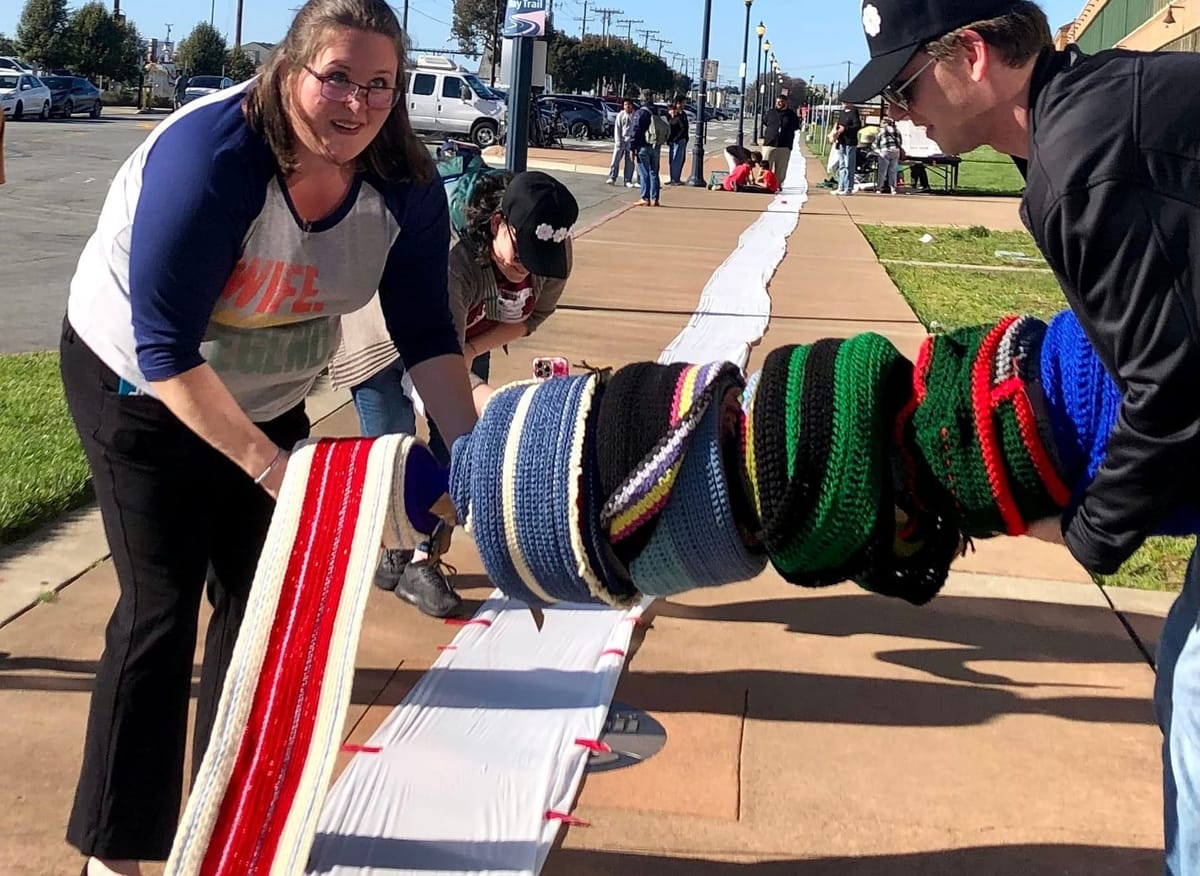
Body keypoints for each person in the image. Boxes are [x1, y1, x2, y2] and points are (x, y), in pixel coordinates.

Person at [58, 0, 478, 872]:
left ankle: (231, 821)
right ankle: (115, 854)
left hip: (269, 393)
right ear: (290, 70)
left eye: (379, 86)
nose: (356, 104)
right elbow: (165, 347)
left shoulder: (404, 182)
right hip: (139, 382)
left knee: (260, 612)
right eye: (336, 77)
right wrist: (269, 468)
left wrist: (474, 464)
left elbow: (428, 337)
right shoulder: (213, 160)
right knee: (159, 608)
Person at [843, 1, 1200, 872]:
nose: (899, 111)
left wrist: (1085, 531)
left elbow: (1175, 395)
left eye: (904, 84)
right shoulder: (1094, 114)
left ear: (970, 56)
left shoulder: (1083, 158)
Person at [330, 168, 579, 617]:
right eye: (522, 255)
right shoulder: (451, 260)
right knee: (396, 450)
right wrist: (496, 405)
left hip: (461, 334)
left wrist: (472, 350)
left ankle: (421, 556)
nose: (530, 269)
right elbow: (429, 367)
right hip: (383, 341)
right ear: (498, 224)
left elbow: (532, 316)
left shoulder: (551, 247)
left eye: (542, 259)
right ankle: (395, 543)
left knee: (457, 451)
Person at [759, 93, 800, 187]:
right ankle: (765, 183)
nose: (779, 104)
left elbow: (796, 127)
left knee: (781, 169)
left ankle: (777, 185)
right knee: (766, 165)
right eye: (777, 102)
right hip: (770, 143)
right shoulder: (770, 112)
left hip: (784, 145)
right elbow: (765, 122)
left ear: (785, 103)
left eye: (781, 102)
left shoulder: (791, 115)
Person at [629, 92, 661, 207]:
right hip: (655, 145)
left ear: (643, 99)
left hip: (643, 146)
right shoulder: (656, 111)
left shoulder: (641, 113)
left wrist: (632, 148)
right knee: (654, 172)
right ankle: (655, 198)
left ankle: (645, 197)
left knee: (644, 172)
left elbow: (635, 130)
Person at [830, 100, 862, 195]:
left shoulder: (854, 113)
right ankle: (841, 187)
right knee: (842, 165)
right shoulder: (842, 113)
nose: (843, 105)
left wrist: (846, 129)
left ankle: (848, 188)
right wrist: (835, 133)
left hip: (850, 142)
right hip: (841, 141)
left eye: (845, 103)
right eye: (842, 103)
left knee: (849, 165)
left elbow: (857, 126)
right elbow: (838, 125)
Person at [606, 97, 635, 187]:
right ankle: (612, 177)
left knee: (630, 162)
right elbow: (617, 128)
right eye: (625, 105)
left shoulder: (635, 115)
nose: (627, 106)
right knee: (615, 160)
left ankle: (627, 180)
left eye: (629, 104)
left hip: (631, 141)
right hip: (621, 141)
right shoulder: (621, 115)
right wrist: (618, 140)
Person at [874, 114, 903, 194]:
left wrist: (877, 150)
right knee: (893, 170)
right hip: (895, 151)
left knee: (882, 171)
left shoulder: (881, 130)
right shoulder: (897, 130)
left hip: (885, 151)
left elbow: (876, 142)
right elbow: (900, 142)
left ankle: (879, 188)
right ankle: (893, 189)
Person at [666, 102, 689, 186]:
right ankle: (672, 178)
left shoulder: (679, 118)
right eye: (671, 110)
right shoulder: (669, 119)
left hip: (678, 141)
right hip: (671, 142)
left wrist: (677, 138)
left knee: (677, 160)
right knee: (671, 160)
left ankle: (676, 179)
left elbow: (683, 129)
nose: (672, 111)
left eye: (674, 110)